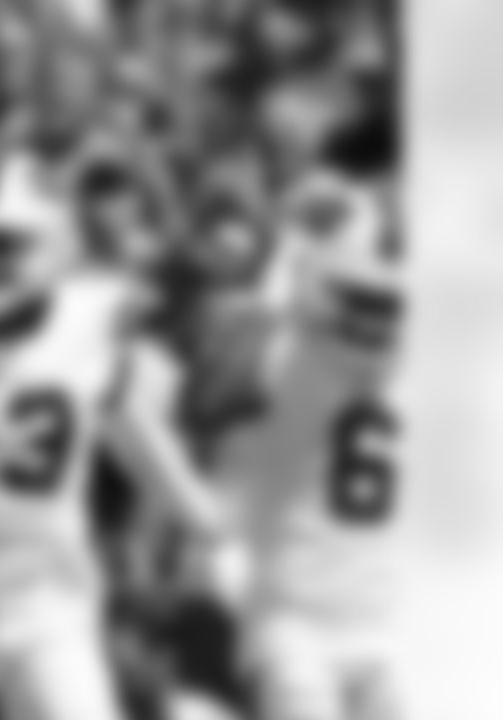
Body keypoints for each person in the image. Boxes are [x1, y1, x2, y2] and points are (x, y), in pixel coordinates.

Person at [0, 150, 227, 720]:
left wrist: (204, 519)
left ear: (54, 246)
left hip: (47, 612)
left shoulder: (90, 324)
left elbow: (137, 436)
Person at [213, 162, 405, 720]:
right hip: (294, 619)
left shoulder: (281, 348)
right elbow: (216, 381)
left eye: (384, 307)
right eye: (360, 302)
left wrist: (293, 236)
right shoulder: (279, 352)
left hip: (387, 620)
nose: (371, 323)